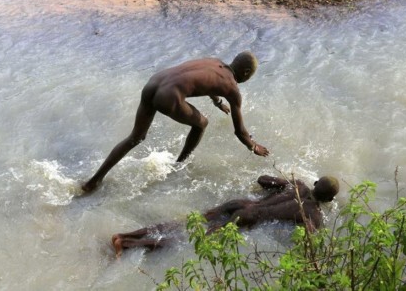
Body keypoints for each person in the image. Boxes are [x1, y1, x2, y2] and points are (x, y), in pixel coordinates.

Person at [82, 52, 270, 193]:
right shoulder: (233, 89)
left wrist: (217, 102)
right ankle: (179, 165)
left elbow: (205, 80)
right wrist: (253, 146)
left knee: (135, 137)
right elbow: (240, 132)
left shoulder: (215, 62)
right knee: (201, 123)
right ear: (246, 73)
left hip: (154, 82)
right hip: (169, 96)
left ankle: (94, 181)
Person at [111, 175, 340, 257]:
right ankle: (128, 244)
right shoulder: (313, 214)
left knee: (184, 223)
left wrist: (277, 187)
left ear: (316, 182)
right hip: (248, 219)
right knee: (191, 239)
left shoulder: (296, 183)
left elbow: (262, 179)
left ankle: (124, 234)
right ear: (329, 200)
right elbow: (310, 242)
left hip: (239, 204)